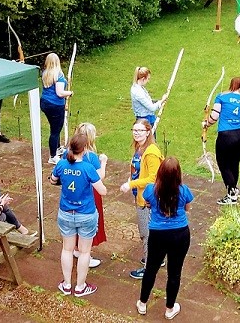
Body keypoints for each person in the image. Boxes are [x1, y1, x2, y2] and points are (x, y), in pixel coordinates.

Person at [50, 134, 107, 297]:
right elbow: (102, 190)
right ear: (84, 150)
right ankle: (80, 287)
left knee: (67, 249)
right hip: (86, 214)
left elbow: (53, 180)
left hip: (66, 213)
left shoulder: (61, 164)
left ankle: (67, 284)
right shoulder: (88, 168)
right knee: (84, 252)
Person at [136, 157, 193, 320]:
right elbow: (188, 208)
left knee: (151, 268)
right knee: (174, 273)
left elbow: (147, 202)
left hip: (158, 234)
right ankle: (169, 308)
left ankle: (142, 303)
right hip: (180, 234)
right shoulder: (184, 190)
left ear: (160, 173)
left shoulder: (150, 189)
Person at [119, 118, 164, 280]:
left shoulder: (151, 152)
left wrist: (131, 183)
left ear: (148, 132)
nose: (136, 133)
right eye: (134, 130)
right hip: (141, 195)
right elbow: (137, 169)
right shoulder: (140, 148)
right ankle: (157, 259)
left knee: (146, 233)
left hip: (148, 199)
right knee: (150, 232)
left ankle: (148, 268)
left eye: (140, 130)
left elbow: (153, 179)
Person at [202, 76, 240, 205]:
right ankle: (233, 190)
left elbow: (214, 116)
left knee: (223, 164)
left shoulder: (221, 97)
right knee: (234, 163)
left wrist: (206, 123)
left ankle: (232, 193)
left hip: (226, 135)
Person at [73, 123, 108, 268]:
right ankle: (85, 254)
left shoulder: (69, 152)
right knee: (89, 223)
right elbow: (99, 176)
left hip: (74, 191)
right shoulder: (91, 157)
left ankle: (75, 248)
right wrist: (104, 162)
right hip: (90, 192)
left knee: (74, 220)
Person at [41, 53, 73, 165]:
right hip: (55, 105)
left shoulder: (45, 73)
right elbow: (59, 93)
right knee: (55, 131)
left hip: (45, 103)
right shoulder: (58, 75)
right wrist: (69, 92)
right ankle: (53, 156)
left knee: (55, 127)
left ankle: (58, 148)